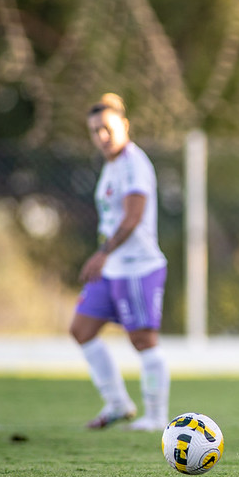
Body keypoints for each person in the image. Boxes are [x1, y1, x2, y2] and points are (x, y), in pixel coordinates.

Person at [69, 93, 170, 432]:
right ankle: (117, 403)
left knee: (143, 341)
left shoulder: (133, 163)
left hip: (137, 266)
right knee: (81, 330)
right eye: (94, 130)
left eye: (107, 129)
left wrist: (103, 252)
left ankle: (155, 416)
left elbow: (132, 217)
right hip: (113, 268)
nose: (101, 136)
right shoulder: (112, 165)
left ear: (124, 126)